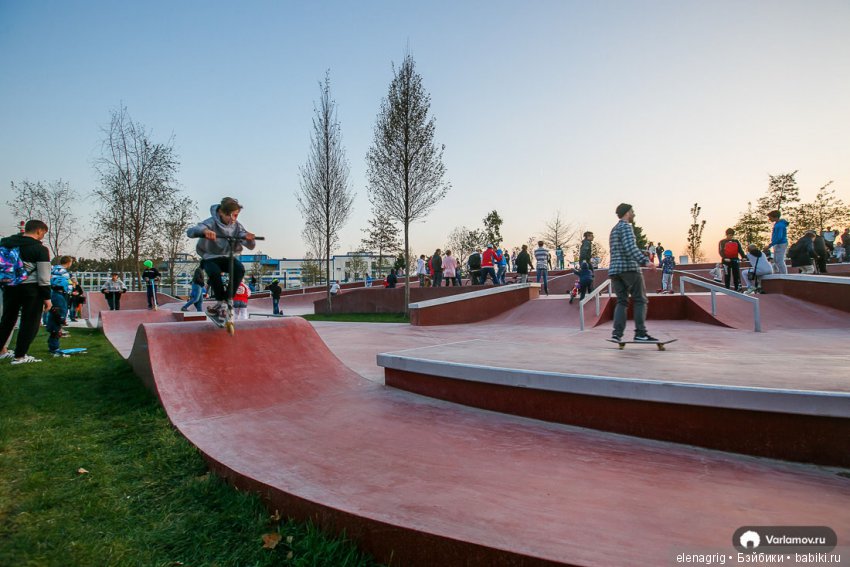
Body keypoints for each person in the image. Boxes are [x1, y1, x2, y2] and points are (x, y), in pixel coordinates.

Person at [186, 197, 256, 319]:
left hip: (227, 258)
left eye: (236, 215)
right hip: (209, 257)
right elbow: (192, 231)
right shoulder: (211, 222)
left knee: (239, 269)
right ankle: (219, 301)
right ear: (221, 212)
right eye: (230, 215)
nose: (233, 219)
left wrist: (248, 238)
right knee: (214, 272)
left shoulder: (236, 226)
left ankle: (227, 300)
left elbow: (246, 242)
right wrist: (205, 231)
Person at [0, 220, 52, 365]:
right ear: (39, 231)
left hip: (10, 286)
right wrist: (47, 297)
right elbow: (44, 276)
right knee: (30, 322)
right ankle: (20, 356)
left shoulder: (7, 244)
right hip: (31, 289)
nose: (42, 236)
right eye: (43, 233)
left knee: (7, 321)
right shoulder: (39, 249)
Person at [608, 203, 657, 342]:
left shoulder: (614, 229)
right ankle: (640, 333)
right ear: (627, 213)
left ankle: (617, 334)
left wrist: (641, 252)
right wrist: (645, 261)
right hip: (629, 269)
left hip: (615, 270)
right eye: (632, 211)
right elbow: (630, 248)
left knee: (622, 301)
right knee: (640, 299)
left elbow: (620, 249)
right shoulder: (626, 227)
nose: (634, 214)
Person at [47, 255, 74, 356]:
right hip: (59, 294)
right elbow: (62, 283)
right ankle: (54, 346)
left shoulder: (54, 269)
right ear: (69, 262)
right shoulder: (62, 271)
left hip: (55, 294)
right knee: (58, 316)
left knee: (54, 315)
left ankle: (52, 343)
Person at [765, 210, 789, 274]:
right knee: (776, 260)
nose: (769, 219)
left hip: (781, 244)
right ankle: (777, 272)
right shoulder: (777, 224)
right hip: (777, 243)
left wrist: (770, 245)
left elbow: (779, 237)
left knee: (779, 260)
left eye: (770, 217)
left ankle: (784, 274)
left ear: (775, 217)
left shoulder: (779, 225)